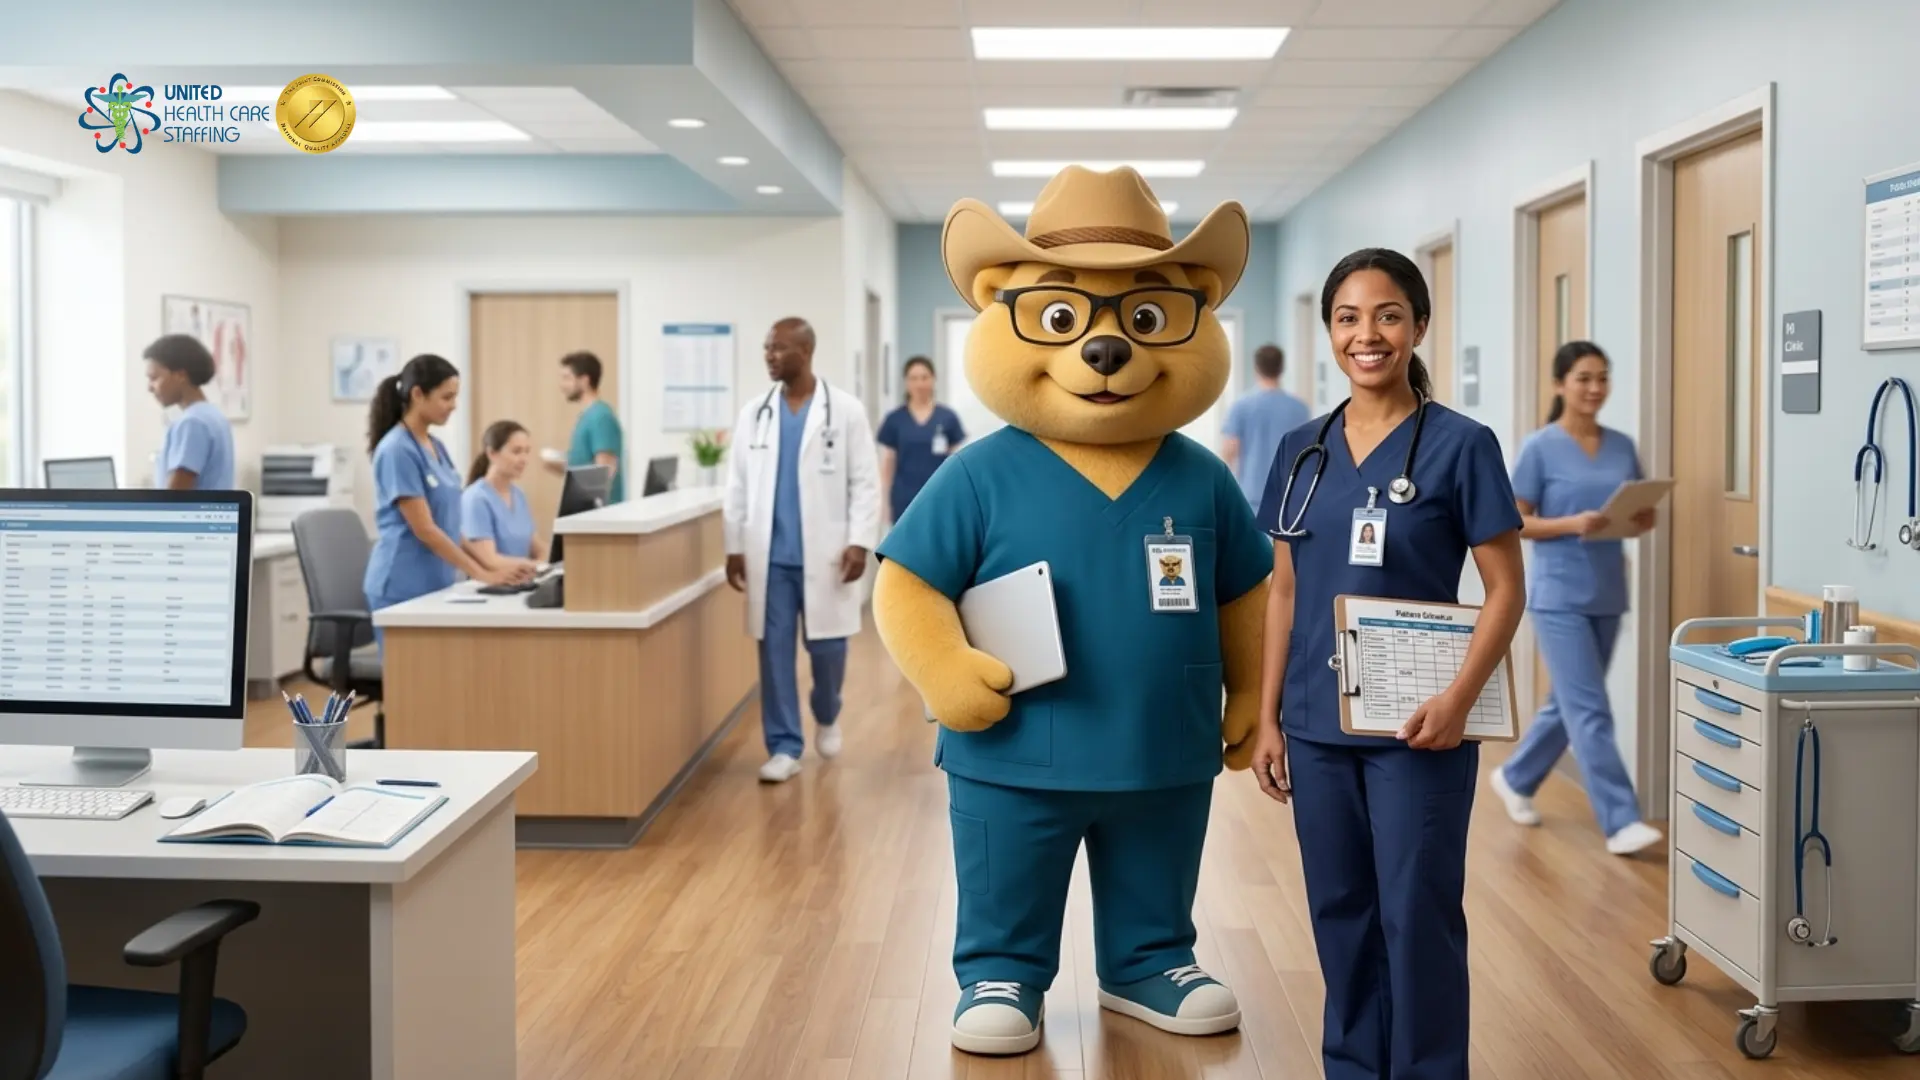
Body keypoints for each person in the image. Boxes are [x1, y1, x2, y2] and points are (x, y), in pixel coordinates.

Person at [1248, 248, 1526, 1080]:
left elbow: (1505, 588)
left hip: (1421, 726)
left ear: (1418, 327)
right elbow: (1285, 592)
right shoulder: (1304, 450)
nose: (1366, 335)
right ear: (1329, 332)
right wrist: (1268, 718)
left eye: (1387, 316)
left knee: (1418, 911)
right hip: (1316, 722)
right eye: (1348, 318)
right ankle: (1354, 1069)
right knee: (1341, 911)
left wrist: (1459, 698)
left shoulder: (1461, 446)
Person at [1488, 341, 1662, 855]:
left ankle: (1516, 777)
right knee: (1591, 708)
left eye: (1603, 378)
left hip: (1608, 590)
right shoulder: (1540, 446)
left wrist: (1640, 517)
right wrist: (1570, 523)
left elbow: (1626, 507)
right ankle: (1620, 820)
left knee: (1570, 703)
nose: (1595, 388)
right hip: (1558, 595)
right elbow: (1514, 521)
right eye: (1584, 378)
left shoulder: (1623, 445)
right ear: (1560, 384)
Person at [723, 317, 879, 783]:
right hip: (769, 558)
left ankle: (827, 712)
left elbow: (865, 482)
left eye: (779, 348)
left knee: (827, 652)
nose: (770, 356)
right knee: (773, 655)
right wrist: (734, 545)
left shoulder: (845, 411)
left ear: (806, 351)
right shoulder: (755, 412)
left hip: (827, 554)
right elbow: (736, 484)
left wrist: (859, 541)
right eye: (767, 348)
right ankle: (784, 746)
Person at [365, 355, 529, 646]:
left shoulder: (435, 446)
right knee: (411, 684)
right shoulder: (397, 450)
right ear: (417, 394)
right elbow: (425, 529)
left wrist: (489, 570)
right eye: (446, 397)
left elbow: (449, 525)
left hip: (436, 583)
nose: (453, 405)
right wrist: (481, 574)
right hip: (401, 584)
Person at [876, 355, 967, 521]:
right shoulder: (895, 419)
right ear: (906, 382)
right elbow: (888, 462)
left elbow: (957, 462)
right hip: (903, 499)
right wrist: (884, 502)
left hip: (940, 496)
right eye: (914, 378)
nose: (920, 384)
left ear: (933, 379)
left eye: (925, 378)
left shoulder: (947, 418)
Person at [1221, 343, 1310, 507]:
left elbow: (1230, 450)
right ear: (1282, 368)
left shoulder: (1241, 405)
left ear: (1256, 368)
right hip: (1288, 494)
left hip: (1251, 493)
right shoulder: (1299, 408)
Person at [144, 334, 235, 490]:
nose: (150, 388)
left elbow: (175, 497)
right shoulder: (213, 416)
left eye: (155, 378)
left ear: (180, 375)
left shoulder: (191, 423)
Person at [462, 419, 546, 575]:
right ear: (492, 453)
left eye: (527, 451)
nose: (524, 459)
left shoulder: (519, 495)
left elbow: (538, 548)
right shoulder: (476, 499)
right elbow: (490, 561)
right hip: (490, 588)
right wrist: (535, 566)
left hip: (521, 580)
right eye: (516, 451)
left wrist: (543, 562)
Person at [544, 351, 625, 503]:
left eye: (567, 378)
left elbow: (605, 470)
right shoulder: (587, 416)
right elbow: (586, 466)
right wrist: (562, 465)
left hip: (598, 513)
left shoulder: (600, 417)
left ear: (584, 381)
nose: (562, 385)